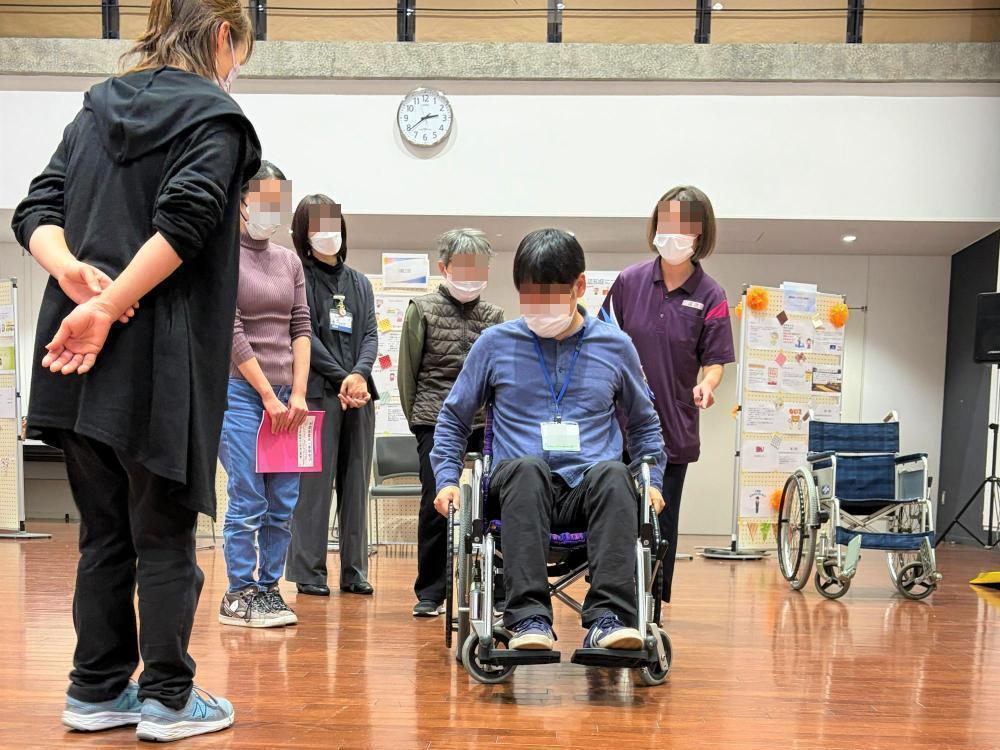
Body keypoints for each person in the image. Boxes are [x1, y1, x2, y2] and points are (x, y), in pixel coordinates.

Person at [10, 0, 260, 741]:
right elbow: (184, 223)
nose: (237, 64)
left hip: (73, 352)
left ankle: (95, 692)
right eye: (240, 47)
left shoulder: (92, 110)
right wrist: (111, 300)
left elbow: (36, 209)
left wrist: (77, 281)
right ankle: (169, 699)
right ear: (223, 35)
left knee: (104, 534)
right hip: (156, 358)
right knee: (163, 534)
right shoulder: (216, 118)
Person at [431, 229, 666, 652]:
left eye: (551, 296)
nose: (539, 308)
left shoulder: (615, 346)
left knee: (615, 475)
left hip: (589, 491)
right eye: (529, 296)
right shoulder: (494, 344)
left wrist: (654, 483)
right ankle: (529, 619)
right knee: (527, 469)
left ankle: (608, 619)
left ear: (580, 286)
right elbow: (452, 418)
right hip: (517, 490)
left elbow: (645, 425)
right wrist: (448, 478)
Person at [602, 186, 735, 604]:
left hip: (672, 426)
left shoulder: (711, 295)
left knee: (662, 516)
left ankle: (652, 601)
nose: (672, 234)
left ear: (701, 234)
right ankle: (608, 595)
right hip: (616, 425)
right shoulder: (629, 282)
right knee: (612, 511)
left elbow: (715, 360)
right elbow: (601, 341)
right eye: (665, 223)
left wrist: (707, 385)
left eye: (683, 226)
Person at [218, 160, 311, 628]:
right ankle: (238, 592)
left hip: (287, 396)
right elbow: (232, 331)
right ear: (242, 203)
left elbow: (301, 325)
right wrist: (267, 397)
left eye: (279, 202)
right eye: (263, 201)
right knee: (248, 497)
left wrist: (296, 392)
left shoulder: (290, 260)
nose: (271, 211)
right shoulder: (223, 256)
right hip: (239, 392)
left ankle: (270, 589)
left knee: (283, 501)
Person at [398, 229, 504, 618]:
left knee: (494, 501)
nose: (471, 273)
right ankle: (430, 591)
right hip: (433, 418)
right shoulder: (421, 309)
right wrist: (419, 421)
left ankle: (496, 589)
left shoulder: (494, 317)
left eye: (479, 266)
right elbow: (407, 374)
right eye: (462, 266)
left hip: (481, 421)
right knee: (436, 503)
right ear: (444, 267)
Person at [285, 194, 378, 597]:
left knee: (356, 484)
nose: (328, 233)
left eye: (333, 223)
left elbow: (371, 334)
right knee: (313, 487)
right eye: (317, 226)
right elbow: (303, 335)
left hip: (359, 397)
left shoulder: (359, 282)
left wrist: (359, 376)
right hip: (319, 398)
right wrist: (343, 378)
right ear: (303, 233)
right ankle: (309, 572)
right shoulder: (297, 277)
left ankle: (355, 570)